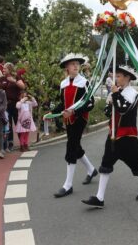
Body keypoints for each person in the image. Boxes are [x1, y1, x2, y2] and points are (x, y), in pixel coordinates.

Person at [81, 66, 138, 208]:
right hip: (113, 134)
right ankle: (99, 198)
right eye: (115, 76)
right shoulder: (116, 92)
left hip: (128, 136)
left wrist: (115, 95)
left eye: (119, 76)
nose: (116, 79)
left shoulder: (133, 93)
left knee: (136, 164)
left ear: (127, 77)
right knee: (106, 163)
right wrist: (110, 101)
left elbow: (124, 109)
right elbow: (108, 112)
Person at [49, 53, 97, 198]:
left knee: (71, 146)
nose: (76, 66)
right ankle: (91, 170)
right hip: (68, 120)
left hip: (80, 118)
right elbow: (63, 104)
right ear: (67, 68)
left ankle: (68, 185)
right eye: (72, 64)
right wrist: (52, 113)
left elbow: (90, 103)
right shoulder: (63, 84)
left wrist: (74, 111)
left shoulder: (84, 82)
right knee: (76, 146)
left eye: (77, 63)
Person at [0, 62, 21, 151]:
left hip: (15, 103)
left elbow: (23, 86)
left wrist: (14, 81)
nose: (3, 70)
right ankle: (10, 142)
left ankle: (22, 142)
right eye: (3, 69)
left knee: (18, 123)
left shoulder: (16, 77)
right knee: (8, 124)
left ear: (10, 69)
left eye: (5, 68)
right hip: (6, 104)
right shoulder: (2, 78)